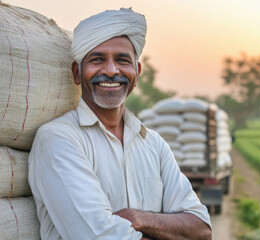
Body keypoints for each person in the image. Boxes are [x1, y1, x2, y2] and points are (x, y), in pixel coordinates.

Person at [28, 8, 212, 240]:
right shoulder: (58, 139)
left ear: (137, 72)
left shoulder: (154, 144)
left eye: (123, 60)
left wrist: (139, 217)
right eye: (97, 59)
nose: (111, 70)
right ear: (77, 73)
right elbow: (99, 236)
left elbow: (202, 229)